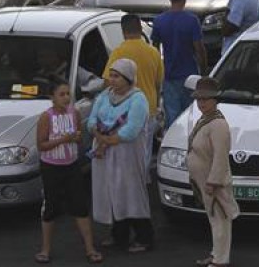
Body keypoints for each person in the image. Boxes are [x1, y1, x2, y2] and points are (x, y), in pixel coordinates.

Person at [87, 58, 153, 253]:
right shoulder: (105, 96)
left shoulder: (138, 99)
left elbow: (131, 131)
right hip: (105, 155)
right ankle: (119, 235)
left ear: (128, 78)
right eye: (111, 76)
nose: (112, 80)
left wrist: (104, 142)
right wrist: (100, 136)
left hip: (127, 156)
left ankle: (144, 237)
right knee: (111, 192)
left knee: (131, 193)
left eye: (116, 76)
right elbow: (92, 120)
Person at [35, 80, 101, 264]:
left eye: (68, 94)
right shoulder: (46, 117)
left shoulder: (75, 113)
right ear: (52, 98)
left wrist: (77, 138)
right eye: (61, 94)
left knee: (80, 206)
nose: (66, 98)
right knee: (51, 207)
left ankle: (90, 248)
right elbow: (41, 145)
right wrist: (64, 139)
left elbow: (79, 138)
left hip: (71, 164)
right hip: (51, 166)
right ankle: (45, 249)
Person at [187, 77, 239, 267]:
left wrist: (213, 181)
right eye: (199, 99)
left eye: (206, 99)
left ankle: (221, 259)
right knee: (214, 219)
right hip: (204, 179)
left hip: (213, 182)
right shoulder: (205, 119)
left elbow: (220, 156)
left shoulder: (218, 124)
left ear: (215, 100)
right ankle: (216, 254)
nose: (202, 103)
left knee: (220, 220)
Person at [102, 14, 163, 160]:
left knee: (128, 153)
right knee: (145, 150)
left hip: (126, 110)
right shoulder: (153, 53)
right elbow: (158, 82)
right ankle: (143, 179)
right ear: (141, 29)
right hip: (148, 108)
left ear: (123, 31)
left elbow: (107, 82)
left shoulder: (119, 52)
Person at [151, 0, 208, 127]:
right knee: (191, 115)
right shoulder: (192, 20)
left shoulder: (159, 21)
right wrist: (204, 72)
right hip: (190, 74)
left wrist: (158, 73)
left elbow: (155, 50)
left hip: (169, 75)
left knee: (172, 118)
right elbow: (199, 49)